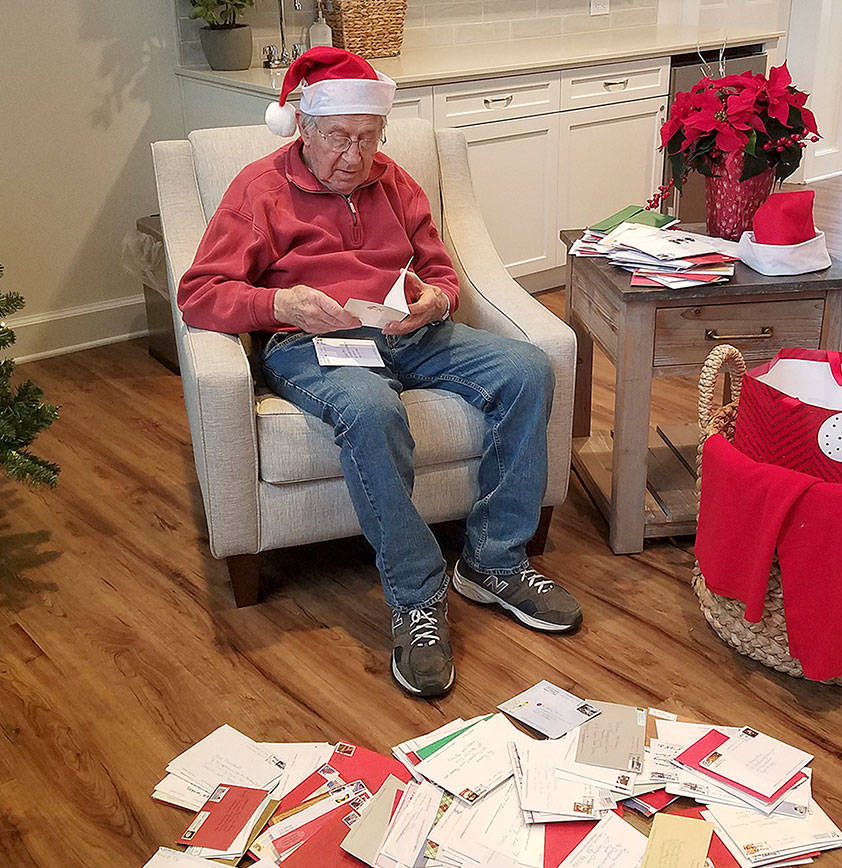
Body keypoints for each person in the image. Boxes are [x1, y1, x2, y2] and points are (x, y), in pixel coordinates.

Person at [176, 47, 582, 698]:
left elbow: (441, 270)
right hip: (313, 343)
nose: (353, 156)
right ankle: (417, 596)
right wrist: (277, 302)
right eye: (338, 137)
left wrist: (437, 300)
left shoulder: (395, 181)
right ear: (303, 127)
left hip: (407, 331)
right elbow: (199, 293)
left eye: (367, 139)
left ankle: (493, 560)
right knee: (370, 409)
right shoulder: (259, 188)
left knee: (528, 368)